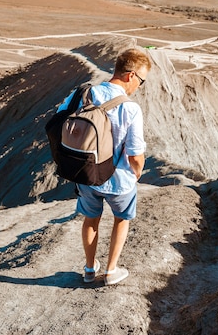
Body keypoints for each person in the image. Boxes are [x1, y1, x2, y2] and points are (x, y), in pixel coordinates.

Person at [56, 48, 151, 285]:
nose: (140, 86)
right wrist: (137, 172)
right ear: (131, 75)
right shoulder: (130, 108)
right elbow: (135, 152)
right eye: (142, 81)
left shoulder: (84, 93)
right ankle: (110, 271)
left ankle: (89, 269)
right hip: (119, 180)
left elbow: (60, 118)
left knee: (91, 220)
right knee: (122, 219)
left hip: (86, 174)